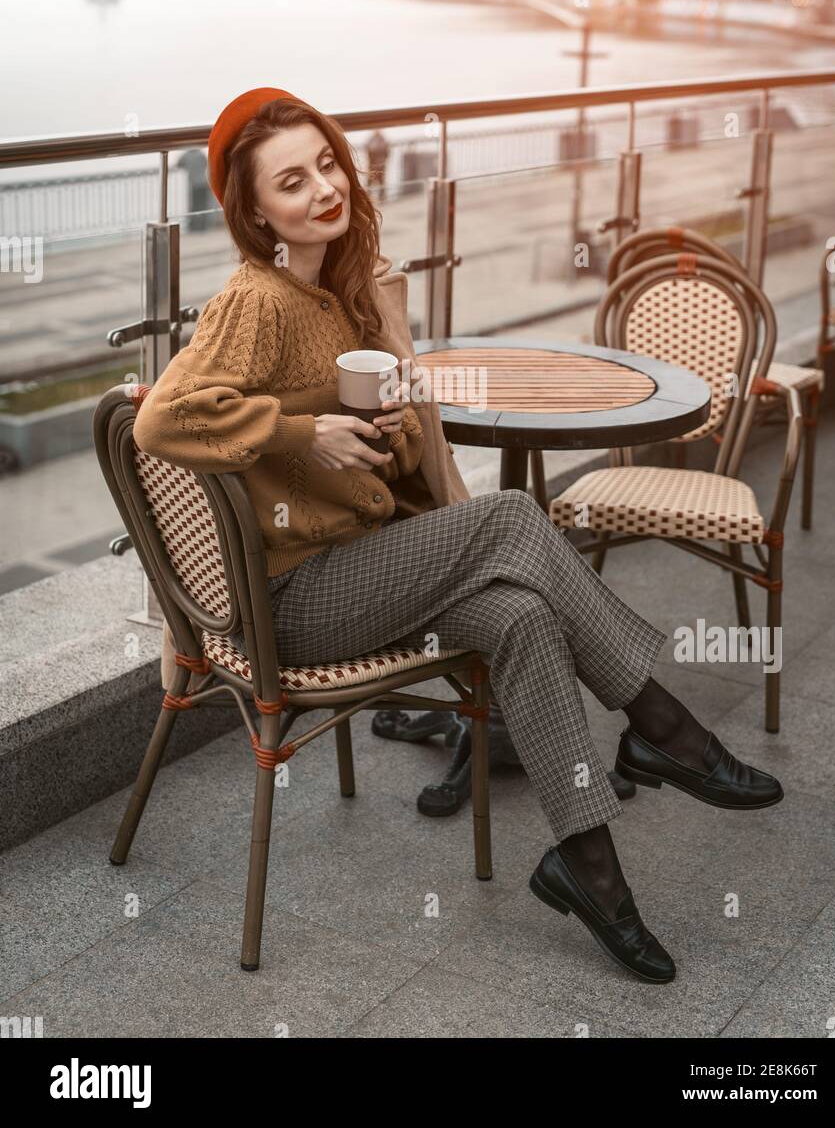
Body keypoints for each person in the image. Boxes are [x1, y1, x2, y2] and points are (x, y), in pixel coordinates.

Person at [133, 86, 784, 986]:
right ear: (253, 211)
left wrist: (381, 434)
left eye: (327, 163)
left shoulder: (333, 297)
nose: (322, 187)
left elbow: (339, 451)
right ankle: (661, 725)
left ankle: (588, 869)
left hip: (352, 569)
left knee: (518, 614)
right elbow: (159, 422)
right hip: (293, 603)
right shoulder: (259, 298)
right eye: (291, 181)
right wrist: (302, 433)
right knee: (515, 516)